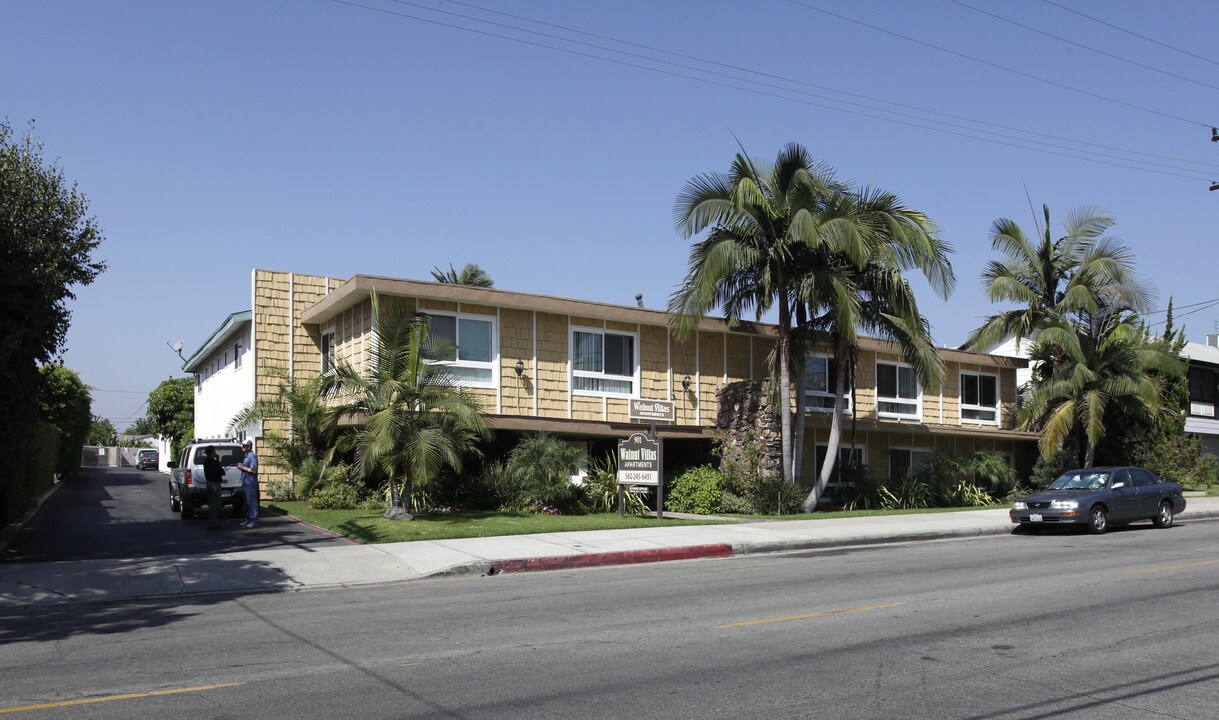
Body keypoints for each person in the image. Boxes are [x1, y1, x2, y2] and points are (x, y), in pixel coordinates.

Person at [236, 439, 260, 528]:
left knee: (252, 502)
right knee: (247, 502)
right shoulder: (246, 456)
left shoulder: (252, 456)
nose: (242, 447)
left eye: (244, 446)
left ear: (249, 447)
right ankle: (248, 519)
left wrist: (241, 467)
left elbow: (253, 470)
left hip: (250, 482)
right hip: (245, 482)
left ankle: (254, 520)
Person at [203, 446, 224, 530]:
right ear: (212, 452)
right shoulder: (213, 462)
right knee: (215, 505)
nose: (215, 453)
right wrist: (218, 460)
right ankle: (213, 523)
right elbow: (221, 471)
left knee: (211, 504)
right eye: (214, 451)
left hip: (209, 483)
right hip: (215, 484)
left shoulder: (205, 461)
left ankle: (211, 522)